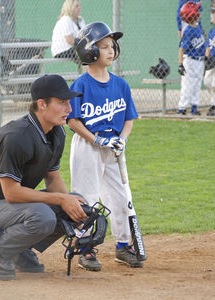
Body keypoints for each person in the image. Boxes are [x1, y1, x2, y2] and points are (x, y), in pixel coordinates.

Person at [0, 74, 88, 281]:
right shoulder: (16, 136)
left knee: (78, 202)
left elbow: (53, 177)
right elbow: (11, 193)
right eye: (62, 102)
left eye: (69, 102)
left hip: (8, 207)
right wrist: (61, 200)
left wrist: (72, 210)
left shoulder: (57, 132)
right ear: (42, 104)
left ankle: (18, 248)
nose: (69, 109)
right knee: (43, 216)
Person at [67, 22, 143, 272]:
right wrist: (96, 139)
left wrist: (123, 138)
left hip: (114, 148)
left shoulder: (120, 85)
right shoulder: (81, 85)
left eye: (112, 46)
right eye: (104, 47)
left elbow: (129, 118)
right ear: (89, 51)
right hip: (88, 146)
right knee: (86, 197)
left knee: (120, 197)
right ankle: (85, 247)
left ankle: (123, 246)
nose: (111, 51)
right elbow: (74, 121)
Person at [177, 1, 205, 115]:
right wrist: (180, 64)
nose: (199, 12)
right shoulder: (188, 31)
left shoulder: (198, 26)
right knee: (187, 85)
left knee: (197, 83)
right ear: (192, 15)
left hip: (200, 60)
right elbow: (182, 49)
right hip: (190, 60)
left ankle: (194, 107)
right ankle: (182, 108)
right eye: (197, 11)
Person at [204, 7, 215, 116]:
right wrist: (207, 58)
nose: (214, 17)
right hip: (212, 61)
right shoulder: (212, 31)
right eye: (213, 15)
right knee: (207, 81)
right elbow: (208, 47)